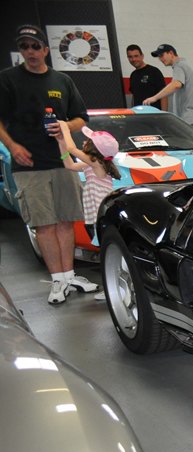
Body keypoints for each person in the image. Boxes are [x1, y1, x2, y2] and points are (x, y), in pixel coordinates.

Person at [0, 24, 99, 304]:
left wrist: (66, 125)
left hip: (63, 161)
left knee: (67, 221)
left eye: (34, 46)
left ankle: (69, 276)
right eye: (24, 47)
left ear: (45, 50)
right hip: (29, 165)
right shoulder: (7, 80)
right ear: (20, 51)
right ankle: (57, 281)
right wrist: (12, 146)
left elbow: (82, 118)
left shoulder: (63, 81)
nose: (30, 52)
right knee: (44, 225)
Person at [55, 120, 119, 302]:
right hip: (94, 216)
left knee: (105, 254)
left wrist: (65, 129)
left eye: (87, 141)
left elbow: (72, 149)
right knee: (104, 252)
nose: (84, 142)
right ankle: (111, 287)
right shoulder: (95, 163)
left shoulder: (95, 162)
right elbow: (69, 165)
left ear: (94, 149)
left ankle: (111, 288)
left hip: (99, 216)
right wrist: (61, 143)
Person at [142, 44, 193, 132]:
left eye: (162, 55)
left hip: (188, 119)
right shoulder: (187, 65)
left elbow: (176, 84)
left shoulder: (178, 66)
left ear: (171, 53)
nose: (160, 59)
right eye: (159, 57)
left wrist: (154, 98)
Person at [126, 43, 166, 109]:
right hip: (138, 115)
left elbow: (164, 95)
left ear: (142, 56)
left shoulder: (154, 71)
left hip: (154, 114)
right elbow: (134, 96)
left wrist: (163, 115)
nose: (133, 59)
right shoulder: (133, 75)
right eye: (130, 57)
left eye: (136, 56)